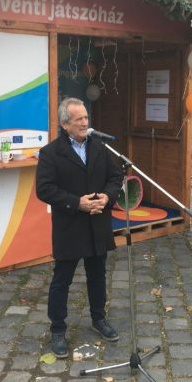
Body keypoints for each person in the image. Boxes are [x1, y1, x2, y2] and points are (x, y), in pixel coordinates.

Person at [36, 97, 122, 358]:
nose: (85, 123)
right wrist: (77, 203)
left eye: (86, 117)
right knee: (62, 279)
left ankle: (98, 318)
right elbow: (44, 189)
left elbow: (115, 177)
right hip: (70, 225)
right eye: (79, 119)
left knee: (98, 275)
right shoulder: (51, 153)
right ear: (65, 124)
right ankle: (58, 328)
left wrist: (108, 197)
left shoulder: (100, 147)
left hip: (97, 223)